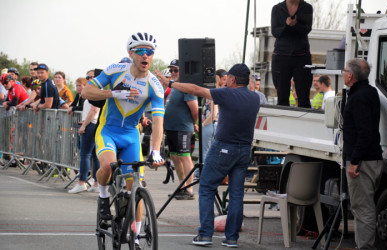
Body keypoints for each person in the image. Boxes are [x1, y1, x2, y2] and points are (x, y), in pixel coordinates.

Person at [157, 63, 259, 247]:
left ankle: (205, 234)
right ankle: (232, 238)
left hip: (224, 147)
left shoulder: (227, 94)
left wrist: (170, 83)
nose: (225, 79)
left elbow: (196, 89)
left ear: (233, 79)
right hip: (244, 149)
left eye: (228, 77)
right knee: (236, 194)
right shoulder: (255, 98)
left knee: (206, 187)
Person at [81, 32, 164, 246]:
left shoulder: (155, 86)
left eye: (150, 52)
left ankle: (134, 235)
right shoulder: (115, 71)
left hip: (130, 136)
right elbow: (86, 92)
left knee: (135, 184)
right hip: (107, 131)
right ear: (131, 53)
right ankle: (103, 195)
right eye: (141, 51)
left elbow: (158, 124)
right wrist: (114, 93)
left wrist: (155, 151)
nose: (146, 55)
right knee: (108, 166)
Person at [343, 58, 383, 250]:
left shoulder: (358, 98)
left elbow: (364, 132)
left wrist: (354, 161)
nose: (343, 74)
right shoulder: (370, 92)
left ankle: (365, 247)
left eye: (344, 71)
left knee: (362, 207)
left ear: (350, 75)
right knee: (363, 206)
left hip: (362, 161)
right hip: (371, 158)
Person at [163, 59, 198, 200]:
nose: (172, 73)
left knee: (185, 157)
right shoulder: (174, 88)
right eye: (171, 70)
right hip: (171, 128)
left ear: (182, 71)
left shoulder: (186, 88)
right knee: (174, 157)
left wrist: (191, 123)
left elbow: (194, 109)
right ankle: (182, 186)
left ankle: (189, 189)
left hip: (183, 129)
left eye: (175, 70)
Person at [271, 0, 313, 108]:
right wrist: (287, 25)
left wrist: (295, 25)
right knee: (282, 96)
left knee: (304, 96)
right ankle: (283, 121)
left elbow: (307, 29)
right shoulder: (277, 9)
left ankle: (305, 121)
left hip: (301, 56)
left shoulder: (306, 8)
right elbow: (275, 32)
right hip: (281, 55)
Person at [69, 78, 101, 194]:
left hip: (91, 125)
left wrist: (84, 125)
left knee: (85, 155)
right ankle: (96, 184)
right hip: (93, 124)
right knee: (94, 156)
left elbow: (94, 110)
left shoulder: (94, 94)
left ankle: (81, 182)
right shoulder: (96, 93)